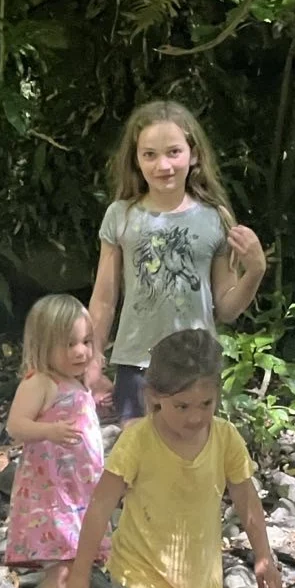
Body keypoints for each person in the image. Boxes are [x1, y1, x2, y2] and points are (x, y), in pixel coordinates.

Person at [65, 329, 282, 588]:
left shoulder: (224, 440)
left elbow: (247, 500)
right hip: (139, 571)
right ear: (153, 397)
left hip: (196, 579)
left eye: (206, 404)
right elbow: (99, 508)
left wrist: (264, 557)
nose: (195, 416)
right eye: (182, 406)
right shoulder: (139, 441)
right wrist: (79, 576)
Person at [87, 99, 267, 421]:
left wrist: (255, 270)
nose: (163, 165)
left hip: (195, 367)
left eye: (173, 152)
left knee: (190, 464)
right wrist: (92, 358)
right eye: (150, 155)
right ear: (136, 160)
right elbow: (104, 298)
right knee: (139, 464)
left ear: (193, 154)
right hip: (136, 364)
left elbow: (225, 308)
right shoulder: (121, 216)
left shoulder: (215, 217)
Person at [4, 294, 108, 588]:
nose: (81, 352)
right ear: (44, 345)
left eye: (86, 342)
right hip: (52, 498)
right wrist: (49, 432)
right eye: (69, 344)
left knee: (75, 565)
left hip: (77, 494)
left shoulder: (76, 384)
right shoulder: (40, 382)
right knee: (61, 570)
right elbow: (15, 425)